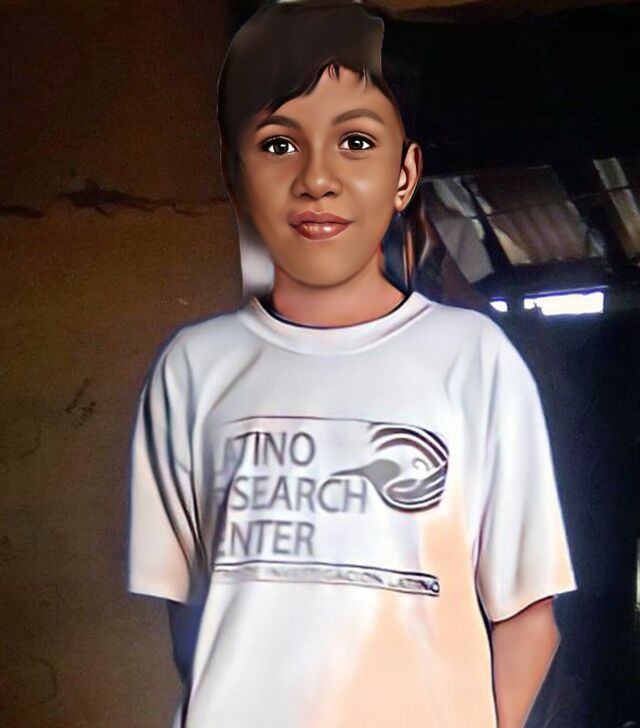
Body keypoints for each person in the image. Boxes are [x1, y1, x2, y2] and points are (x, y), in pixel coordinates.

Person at [125, 2, 577, 727]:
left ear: (405, 174)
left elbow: (527, 617)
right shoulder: (194, 368)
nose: (317, 179)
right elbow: (192, 616)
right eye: (278, 144)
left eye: (356, 141)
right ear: (235, 175)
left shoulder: (471, 359)